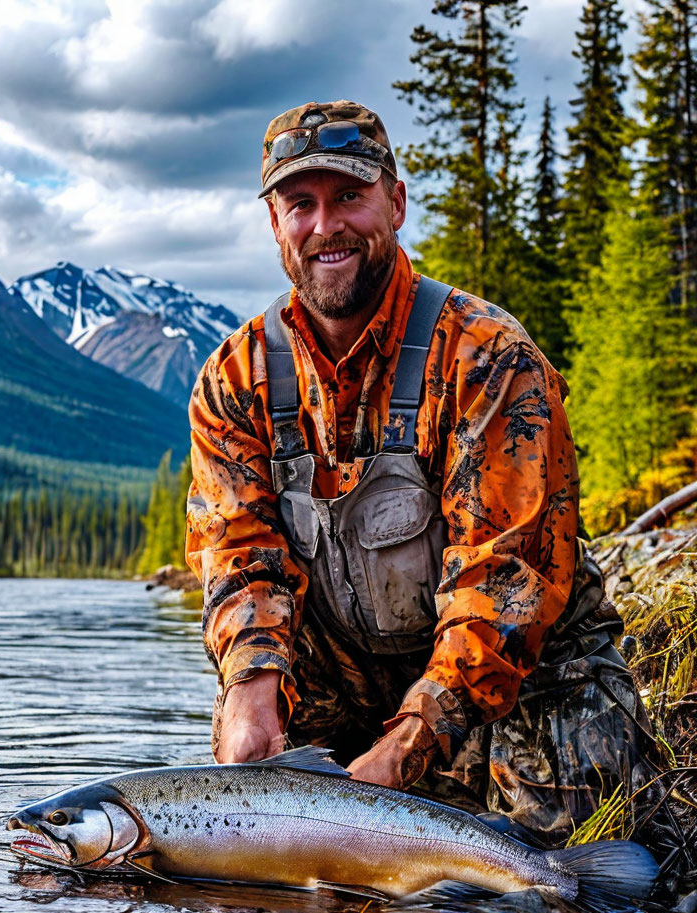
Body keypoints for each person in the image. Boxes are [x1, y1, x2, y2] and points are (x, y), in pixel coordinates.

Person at [184, 99, 662, 847]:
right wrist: (249, 693)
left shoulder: (488, 357)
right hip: (347, 681)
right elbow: (240, 557)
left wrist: (407, 747)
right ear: (275, 225)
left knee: (567, 869)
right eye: (299, 204)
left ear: (395, 202)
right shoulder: (234, 380)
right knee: (251, 857)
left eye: (349, 195)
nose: (325, 225)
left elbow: (503, 583)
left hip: (512, 674)